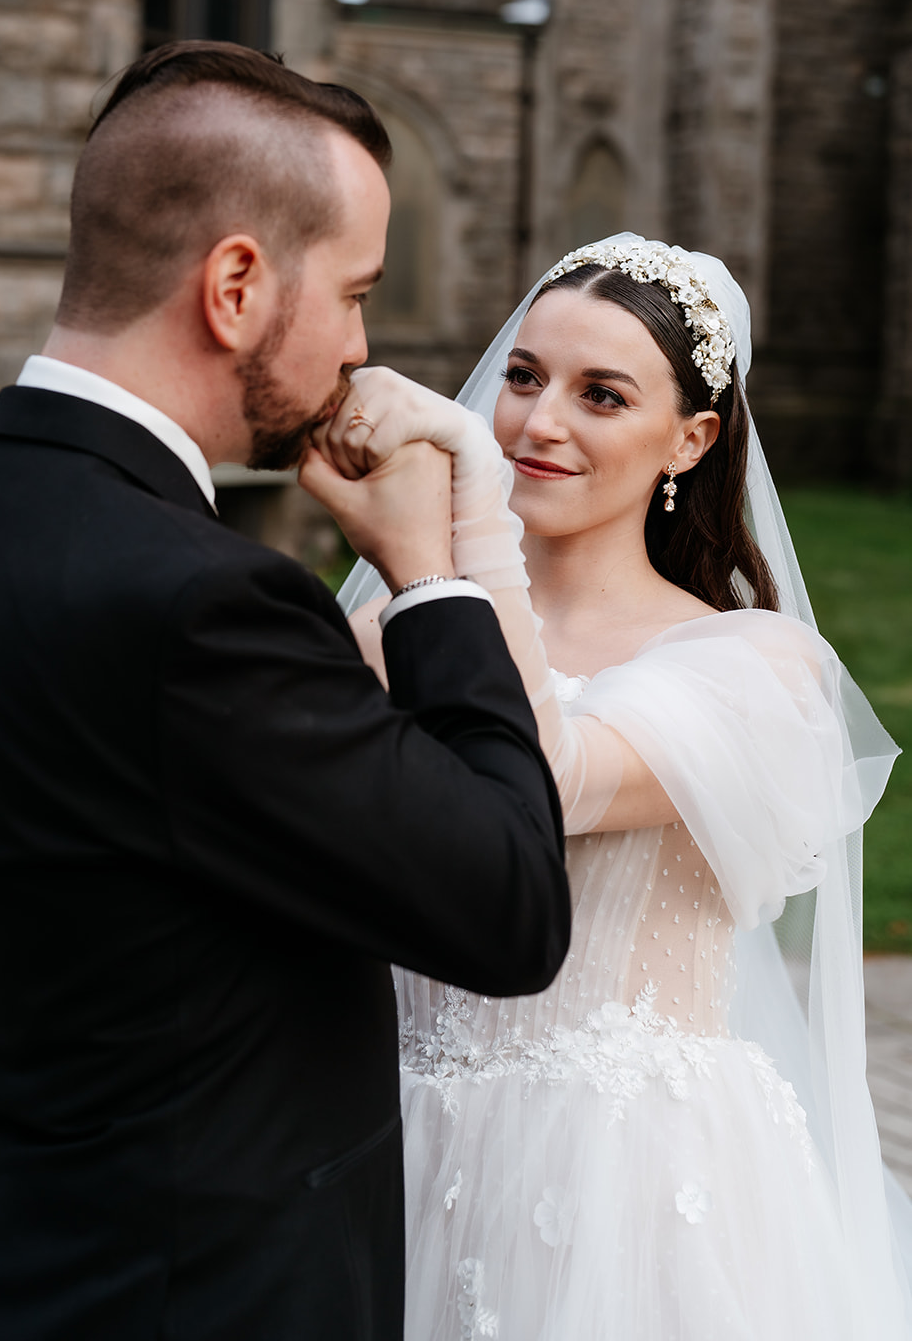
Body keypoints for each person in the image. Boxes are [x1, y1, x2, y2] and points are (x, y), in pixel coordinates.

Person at [0, 42, 572, 1341]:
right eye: (351, 292)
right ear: (236, 285)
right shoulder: (203, 606)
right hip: (199, 1294)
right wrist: (430, 578)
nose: (359, 342)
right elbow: (508, 903)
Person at [334, 233, 912, 1340]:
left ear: (689, 438)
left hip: (616, 1176)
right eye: (518, 378)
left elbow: (535, 779)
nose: (536, 423)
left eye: (599, 394)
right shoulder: (380, 631)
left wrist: (458, 530)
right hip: (390, 1137)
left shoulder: (753, 668)